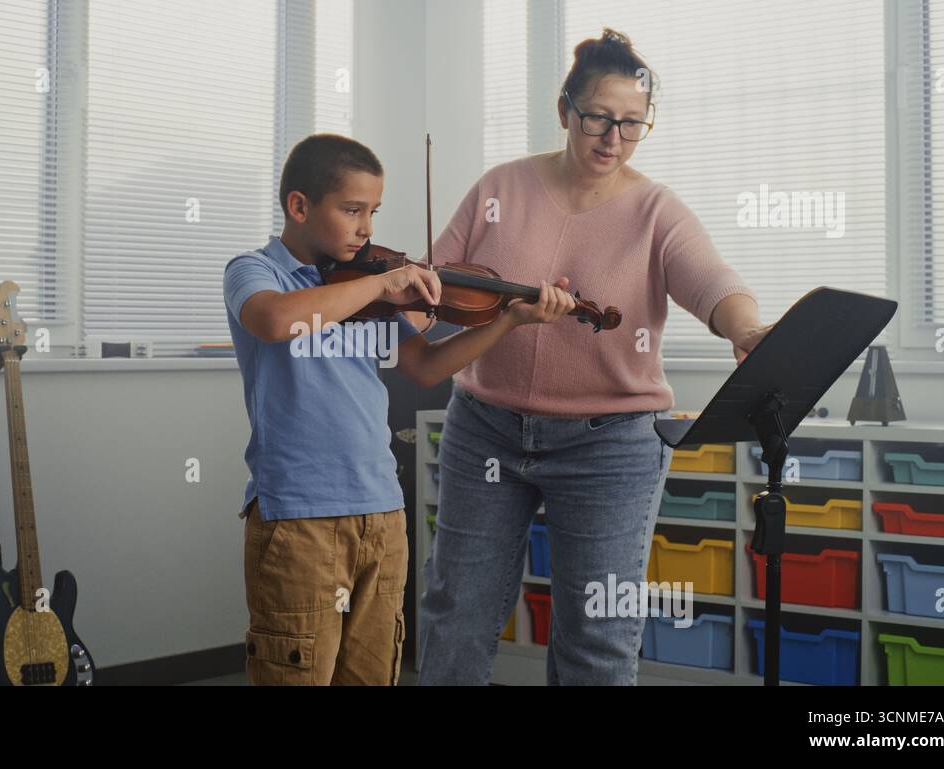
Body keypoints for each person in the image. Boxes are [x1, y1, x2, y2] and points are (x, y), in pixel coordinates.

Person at [417, 29, 773, 685]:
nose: (614, 139)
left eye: (632, 125)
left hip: (609, 443)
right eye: (599, 120)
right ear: (565, 111)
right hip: (486, 429)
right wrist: (398, 301)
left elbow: (713, 281)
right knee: (457, 612)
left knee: (597, 635)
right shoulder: (500, 187)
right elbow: (433, 289)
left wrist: (744, 327)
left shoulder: (656, 210)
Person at [224, 133, 574, 684]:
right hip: (298, 517)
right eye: (352, 210)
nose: (367, 228)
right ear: (298, 205)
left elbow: (428, 367)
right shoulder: (257, 272)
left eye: (374, 212)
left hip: (382, 514)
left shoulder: (366, 286)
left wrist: (507, 320)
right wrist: (384, 283)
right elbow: (273, 321)